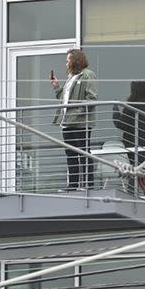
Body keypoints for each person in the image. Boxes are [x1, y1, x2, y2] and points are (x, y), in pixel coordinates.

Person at [51, 48, 98, 190]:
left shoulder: (87, 75)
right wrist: (57, 87)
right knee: (70, 154)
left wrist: (77, 112)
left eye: (68, 60)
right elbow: (64, 99)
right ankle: (72, 185)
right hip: (66, 122)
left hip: (80, 122)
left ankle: (88, 185)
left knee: (83, 152)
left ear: (75, 60)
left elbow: (92, 98)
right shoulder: (71, 77)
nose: (66, 63)